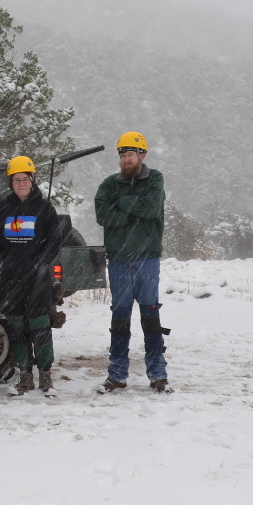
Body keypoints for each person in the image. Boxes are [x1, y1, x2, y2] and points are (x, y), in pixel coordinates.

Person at [93, 131, 172, 393]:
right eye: (123, 155)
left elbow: (152, 209)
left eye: (131, 154)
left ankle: (158, 374)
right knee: (120, 318)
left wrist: (123, 205)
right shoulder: (108, 185)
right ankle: (117, 375)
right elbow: (104, 216)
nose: (126, 159)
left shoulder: (155, 179)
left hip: (147, 259)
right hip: (118, 261)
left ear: (142, 155)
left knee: (151, 316)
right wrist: (133, 210)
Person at [0, 155, 62, 395]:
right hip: (10, 278)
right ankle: (25, 374)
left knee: (39, 326)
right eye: (16, 180)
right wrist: (0, 264)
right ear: (11, 182)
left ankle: (46, 375)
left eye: (25, 179)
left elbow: (54, 241)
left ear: (32, 181)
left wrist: (41, 264)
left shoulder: (44, 208)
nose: (21, 184)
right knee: (16, 326)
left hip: (37, 278)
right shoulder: (2, 208)